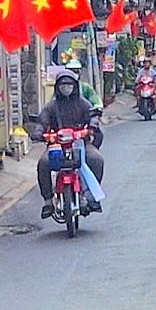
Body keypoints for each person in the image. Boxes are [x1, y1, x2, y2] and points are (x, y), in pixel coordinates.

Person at [34, 69, 105, 219]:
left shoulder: (83, 103)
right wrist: (39, 132)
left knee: (97, 159)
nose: (66, 87)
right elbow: (42, 121)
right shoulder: (51, 106)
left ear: (75, 86)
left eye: (69, 84)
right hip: (57, 146)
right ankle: (47, 200)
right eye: (62, 84)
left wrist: (91, 127)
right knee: (43, 163)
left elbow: (93, 116)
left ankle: (91, 195)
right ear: (57, 87)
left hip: (80, 144)